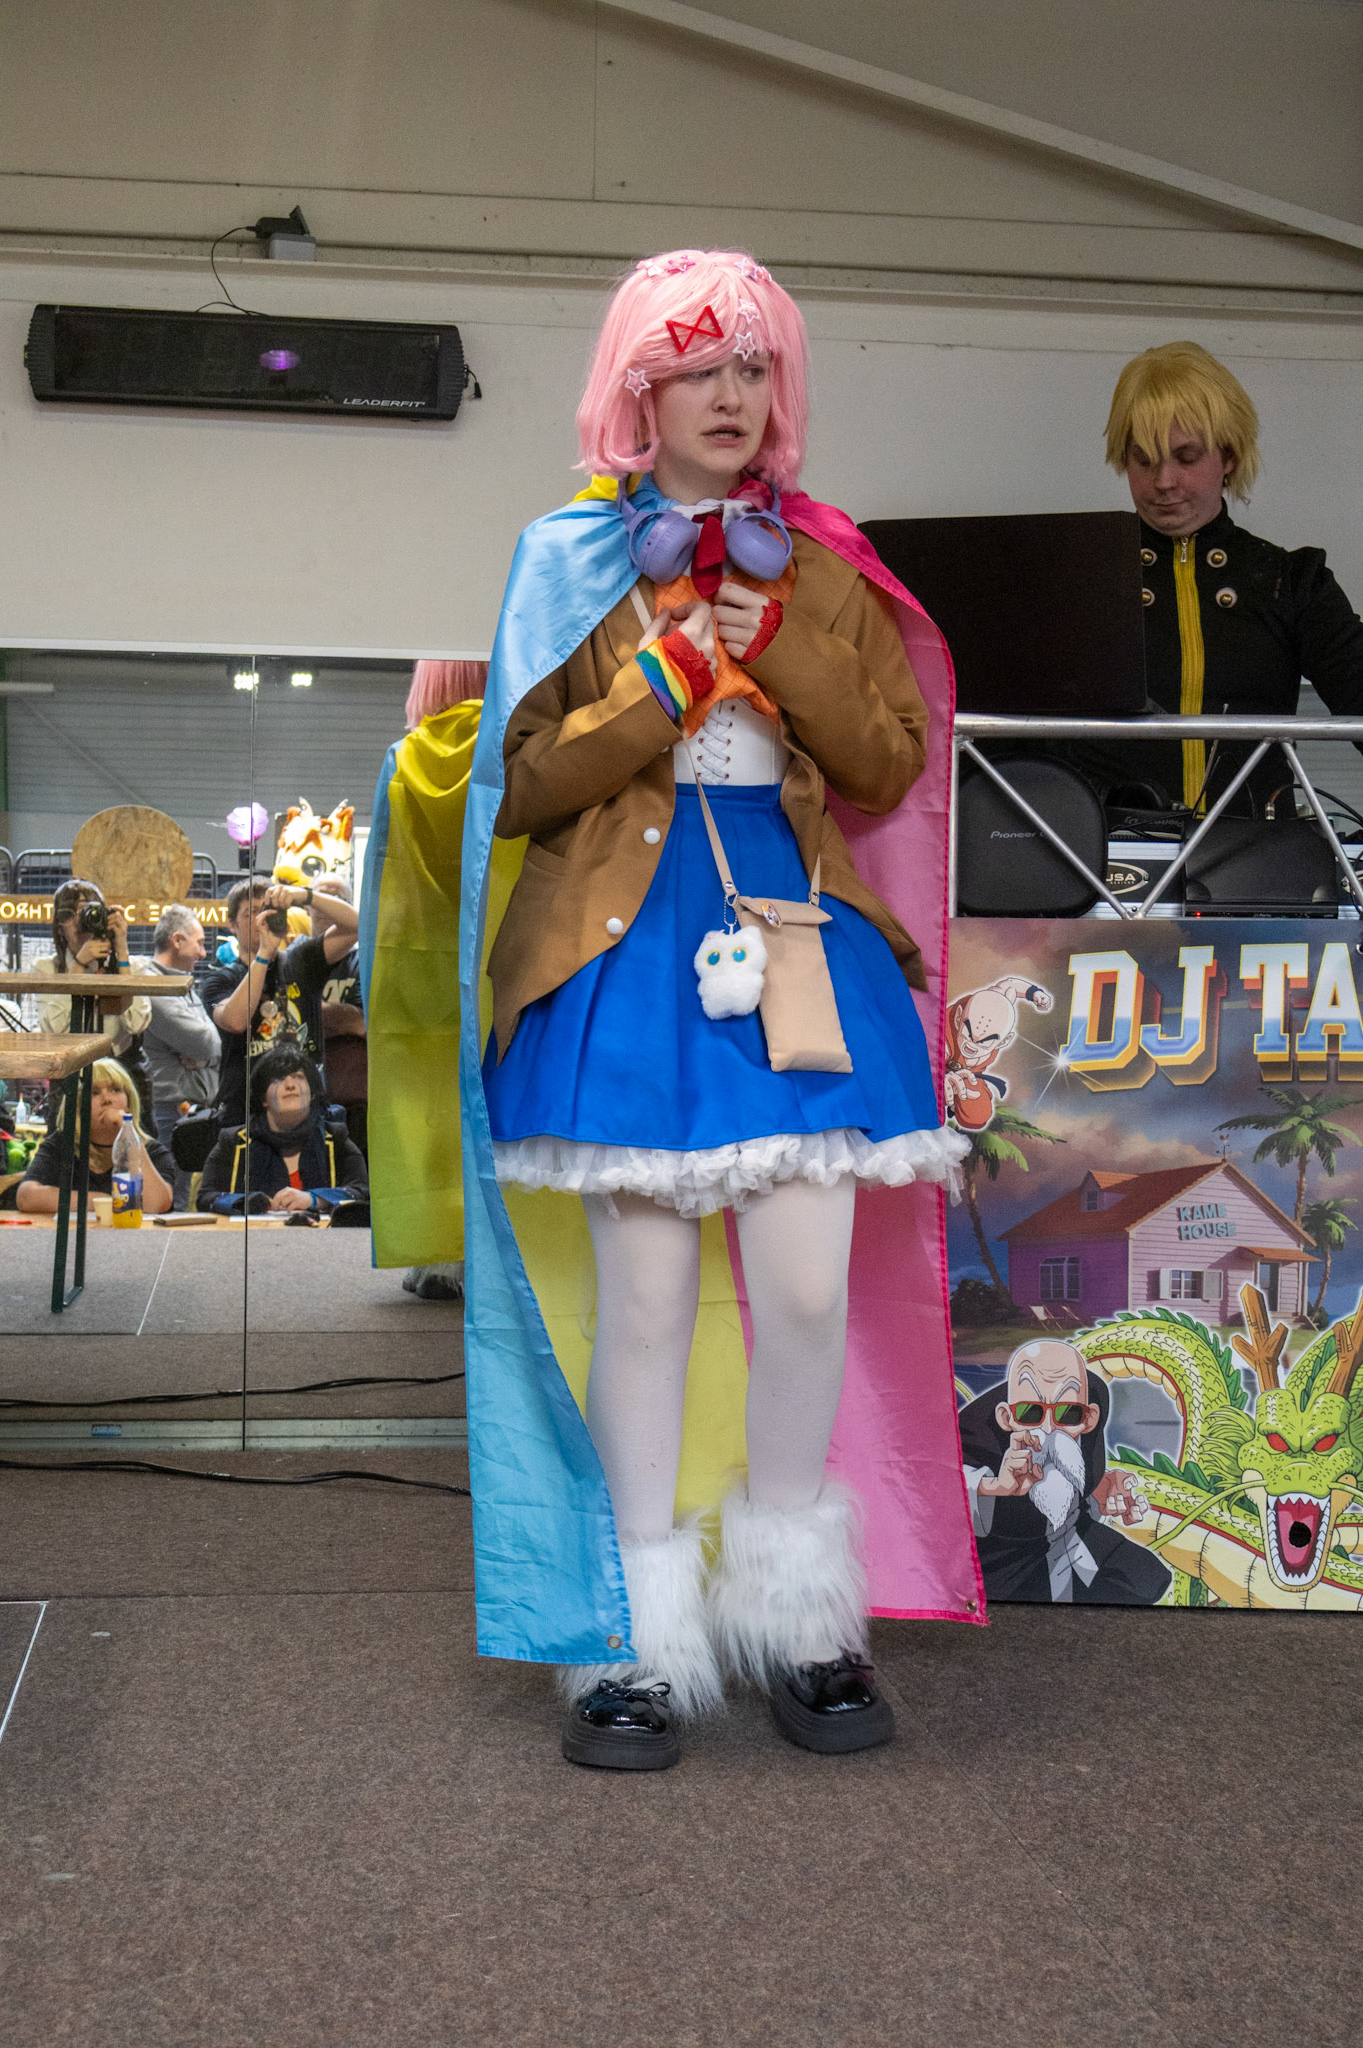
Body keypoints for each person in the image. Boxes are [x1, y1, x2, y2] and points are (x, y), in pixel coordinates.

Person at [425, 247, 979, 1772]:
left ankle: (800, 1619)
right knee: (650, 1304)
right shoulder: (566, 558)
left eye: (751, 367)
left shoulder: (823, 563)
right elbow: (522, 777)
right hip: (623, 945)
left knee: (803, 1290)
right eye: (697, 367)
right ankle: (633, 1633)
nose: (730, 395)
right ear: (639, 389)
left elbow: (888, 762)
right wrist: (664, 684)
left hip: (792, 933)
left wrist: (778, 638)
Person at [1090, 341, 1363, 819]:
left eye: (1186, 457)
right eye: (1144, 459)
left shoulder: (1293, 581)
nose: (1163, 481)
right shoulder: (1081, 582)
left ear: (1230, 456)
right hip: (1103, 853)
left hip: (1256, 852)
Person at [361, 658, 491, 1304]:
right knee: (493, 1115)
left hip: (417, 971)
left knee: (432, 1120)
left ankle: (440, 1258)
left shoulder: (403, 760)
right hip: (497, 962)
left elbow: (378, 886)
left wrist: (372, 982)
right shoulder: (516, 752)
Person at [957, 1339, 1171, 1605]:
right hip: (1005, 1562)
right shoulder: (977, 1434)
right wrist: (993, 1486)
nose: (1048, 1429)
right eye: (1030, 1412)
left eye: (1068, 1413)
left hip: (1074, 1539)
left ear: (1089, 1418)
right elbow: (934, 1493)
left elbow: (1068, 1492)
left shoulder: (1092, 1412)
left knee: (1147, 1578)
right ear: (1006, 1417)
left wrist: (1098, 1493)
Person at [202, 875, 360, 1126]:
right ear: (232, 925)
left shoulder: (301, 961)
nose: (261, 919)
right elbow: (235, 1021)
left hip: (307, 1113)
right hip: (245, 1116)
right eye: (251, 913)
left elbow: (355, 926)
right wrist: (264, 953)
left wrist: (305, 896)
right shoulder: (221, 979)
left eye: (267, 910)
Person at [32, 879, 157, 1135]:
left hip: (123, 1075)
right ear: (59, 924)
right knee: (63, 1148)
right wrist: (78, 966)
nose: (81, 922)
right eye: (70, 914)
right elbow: (54, 1031)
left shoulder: (133, 966)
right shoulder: (46, 969)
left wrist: (122, 952)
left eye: (89, 911)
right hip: (70, 1078)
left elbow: (137, 1024)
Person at [195, 1047, 369, 1215]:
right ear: (263, 1098)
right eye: (278, 1079)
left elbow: (363, 1192)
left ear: (313, 1093)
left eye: (299, 1077)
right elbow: (206, 1197)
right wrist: (245, 1202)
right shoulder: (233, 1141)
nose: (290, 1085)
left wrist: (315, 1199)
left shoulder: (336, 1138)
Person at [17, 1056, 175, 1215]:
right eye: (94, 1093)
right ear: (78, 1106)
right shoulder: (62, 1144)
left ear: (128, 1102)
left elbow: (156, 1205)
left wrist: (129, 1134)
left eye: (115, 1090)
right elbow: (26, 1197)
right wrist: (101, 1201)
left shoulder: (152, 1151)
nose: (107, 1099)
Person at [135, 904, 220, 1196]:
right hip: (170, 1113)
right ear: (177, 940)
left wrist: (207, 1059)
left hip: (192, 1111)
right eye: (200, 943)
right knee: (173, 1198)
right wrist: (209, 1053)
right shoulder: (153, 985)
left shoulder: (180, 982)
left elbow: (210, 1042)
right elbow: (206, 1040)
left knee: (186, 1196)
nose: (203, 953)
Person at [311, 875, 368, 1158]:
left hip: (356, 1106)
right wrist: (341, 1018)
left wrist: (307, 1007)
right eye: (321, 897)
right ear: (308, 906)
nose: (328, 905)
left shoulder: (363, 962)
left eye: (337, 899)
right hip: (302, 1105)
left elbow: (361, 1023)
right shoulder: (293, 958)